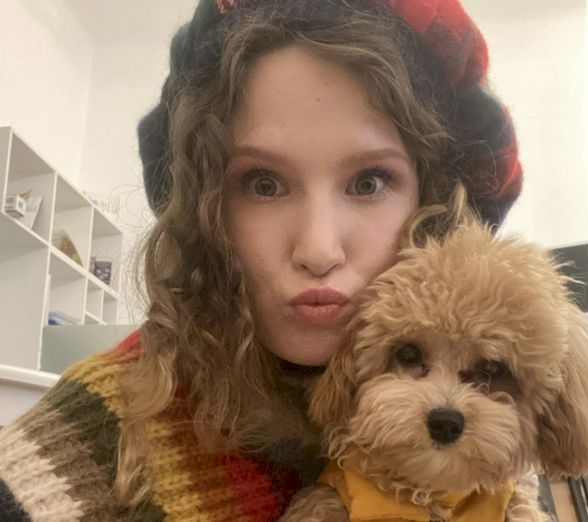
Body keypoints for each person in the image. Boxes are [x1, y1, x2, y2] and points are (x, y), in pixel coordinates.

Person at [0, 0, 522, 520]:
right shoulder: (101, 431)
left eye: (368, 183)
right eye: (264, 184)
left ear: (435, 202)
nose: (318, 250)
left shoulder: (488, 435)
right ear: (207, 210)